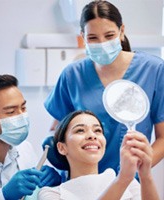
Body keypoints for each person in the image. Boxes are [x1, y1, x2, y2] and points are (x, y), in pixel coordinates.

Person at [44, 0, 164, 176]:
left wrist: (137, 170)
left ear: (122, 31)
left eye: (109, 36)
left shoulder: (153, 70)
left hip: (129, 181)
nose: (102, 43)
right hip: (79, 180)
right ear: (83, 36)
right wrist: (56, 162)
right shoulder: (73, 75)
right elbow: (58, 130)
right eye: (93, 38)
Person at [0, 74, 61, 200]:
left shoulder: (25, 149)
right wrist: (3, 195)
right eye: (11, 112)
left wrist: (51, 185)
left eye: (23, 107)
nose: (22, 116)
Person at [38, 110, 159, 200]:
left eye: (97, 131)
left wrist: (146, 175)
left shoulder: (130, 185)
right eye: (80, 130)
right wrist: (123, 178)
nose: (92, 135)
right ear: (62, 147)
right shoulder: (51, 194)